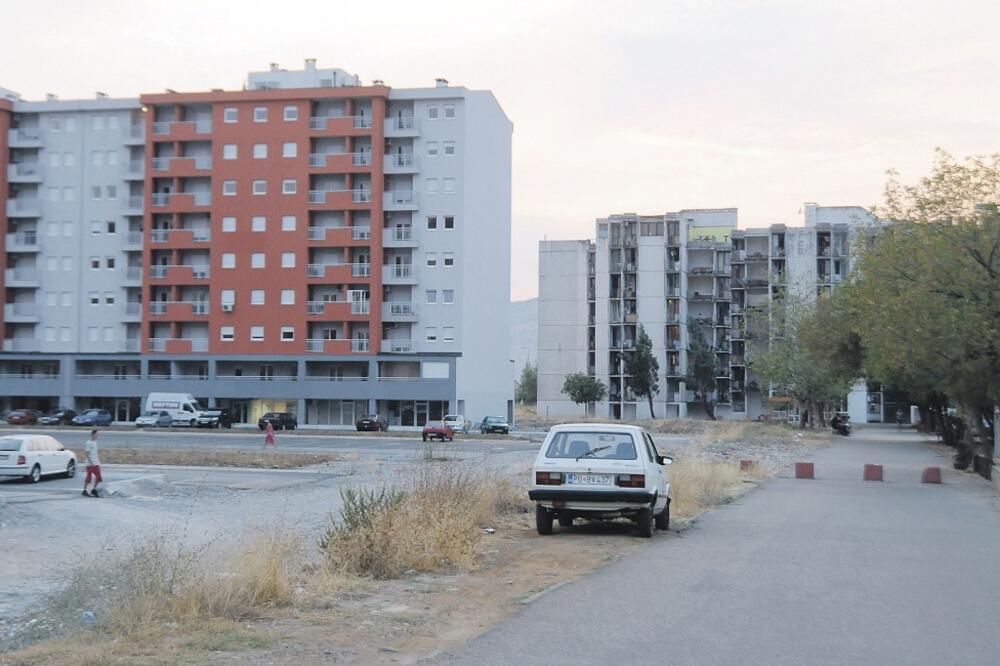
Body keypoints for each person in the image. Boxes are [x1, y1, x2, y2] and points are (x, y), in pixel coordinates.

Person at [82, 429, 102, 497]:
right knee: (89, 477)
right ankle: (84, 490)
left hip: (96, 462)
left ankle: (94, 489)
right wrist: (91, 462)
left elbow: (95, 452)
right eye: (96, 434)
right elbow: (87, 454)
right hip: (90, 464)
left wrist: (97, 462)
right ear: (93, 434)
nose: (97, 435)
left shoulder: (95, 442)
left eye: (97, 434)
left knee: (99, 477)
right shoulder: (88, 443)